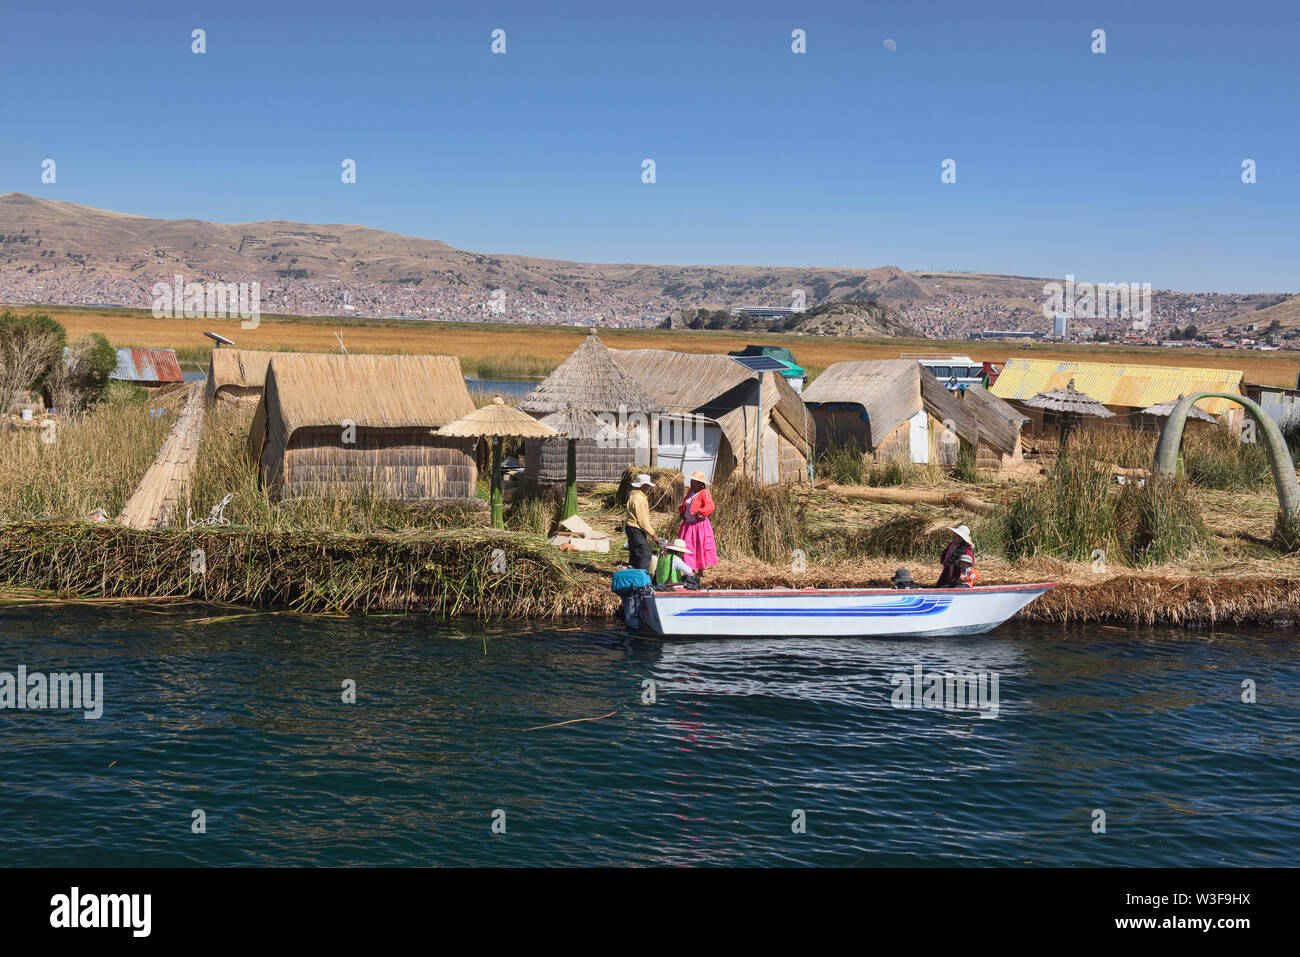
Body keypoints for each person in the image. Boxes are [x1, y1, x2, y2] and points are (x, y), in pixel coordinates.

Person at [677, 470, 718, 575]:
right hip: (688, 524)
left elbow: (710, 506)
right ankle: (691, 570)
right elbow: (686, 504)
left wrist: (701, 513)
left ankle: (700, 570)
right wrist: (682, 512)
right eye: (692, 480)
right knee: (688, 547)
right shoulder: (690, 492)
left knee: (699, 546)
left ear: (700, 484)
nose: (691, 482)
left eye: (694, 481)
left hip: (698, 526)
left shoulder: (704, 492)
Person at [624, 473, 659, 571]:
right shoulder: (639, 498)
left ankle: (632, 574)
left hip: (631, 528)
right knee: (644, 553)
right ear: (643, 485)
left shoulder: (635, 496)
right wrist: (653, 535)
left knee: (635, 553)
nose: (648, 487)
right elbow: (642, 521)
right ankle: (642, 578)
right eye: (647, 485)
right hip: (635, 528)